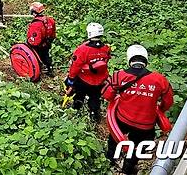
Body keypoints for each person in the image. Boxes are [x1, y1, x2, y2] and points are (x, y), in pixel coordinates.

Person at [103, 45, 174, 175]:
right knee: (137, 148)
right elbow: (168, 101)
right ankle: (128, 168)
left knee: (113, 139)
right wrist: (159, 111)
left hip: (122, 118)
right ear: (145, 60)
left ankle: (110, 161)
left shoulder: (119, 76)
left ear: (129, 59)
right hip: (146, 124)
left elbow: (107, 95)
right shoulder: (160, 80)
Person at [64, 22, 111, 121]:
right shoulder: (106, 48)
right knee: (95, 97)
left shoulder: (83, 50)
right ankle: (94, 114)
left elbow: (75, 66)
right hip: (99, 80)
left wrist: (70, 79)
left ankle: (76, 108)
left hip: (84, 79)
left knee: (79, 94)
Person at [25, 2, 56, 77]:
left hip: (39, 46)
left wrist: (28, 44)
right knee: (46, 55)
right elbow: (53, 34)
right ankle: (49, 68)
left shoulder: (35, 25)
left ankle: (37, 70)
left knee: (37, 57)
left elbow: (34, 41)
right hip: (47, 43)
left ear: (33, 12)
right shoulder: (50, 20)